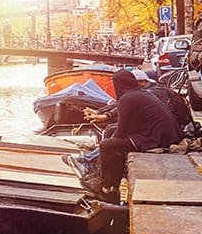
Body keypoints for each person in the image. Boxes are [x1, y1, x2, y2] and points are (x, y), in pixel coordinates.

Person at [64, 68, 184, 201]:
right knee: (110, 131)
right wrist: (106, 117)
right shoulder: (139, 93)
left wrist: (106, 158)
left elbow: (121, 132)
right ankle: (111, 183)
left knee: (107, 145)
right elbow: (120, 118)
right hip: (165, 133)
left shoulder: (127, 98)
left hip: (156, 138)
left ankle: (105, 186)